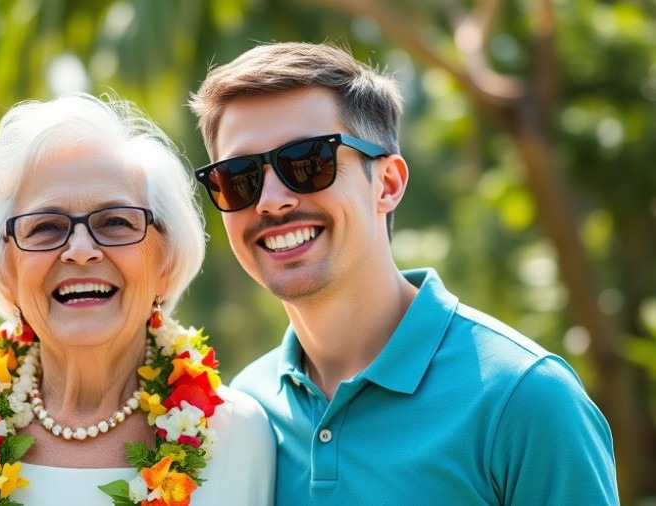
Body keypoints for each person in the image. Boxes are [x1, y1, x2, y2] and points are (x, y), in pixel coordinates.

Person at [188, 42, 618, 505]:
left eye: (307, 162)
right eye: (239, 176)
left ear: (387, 184)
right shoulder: (243, 411)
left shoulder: (525, 400)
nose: (270, 200)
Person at [0, 93, 275, 505]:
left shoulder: (237, 434)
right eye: (45, 227)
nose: (80, 249)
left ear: (166, 263)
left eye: (115, 222)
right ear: (7, 272)